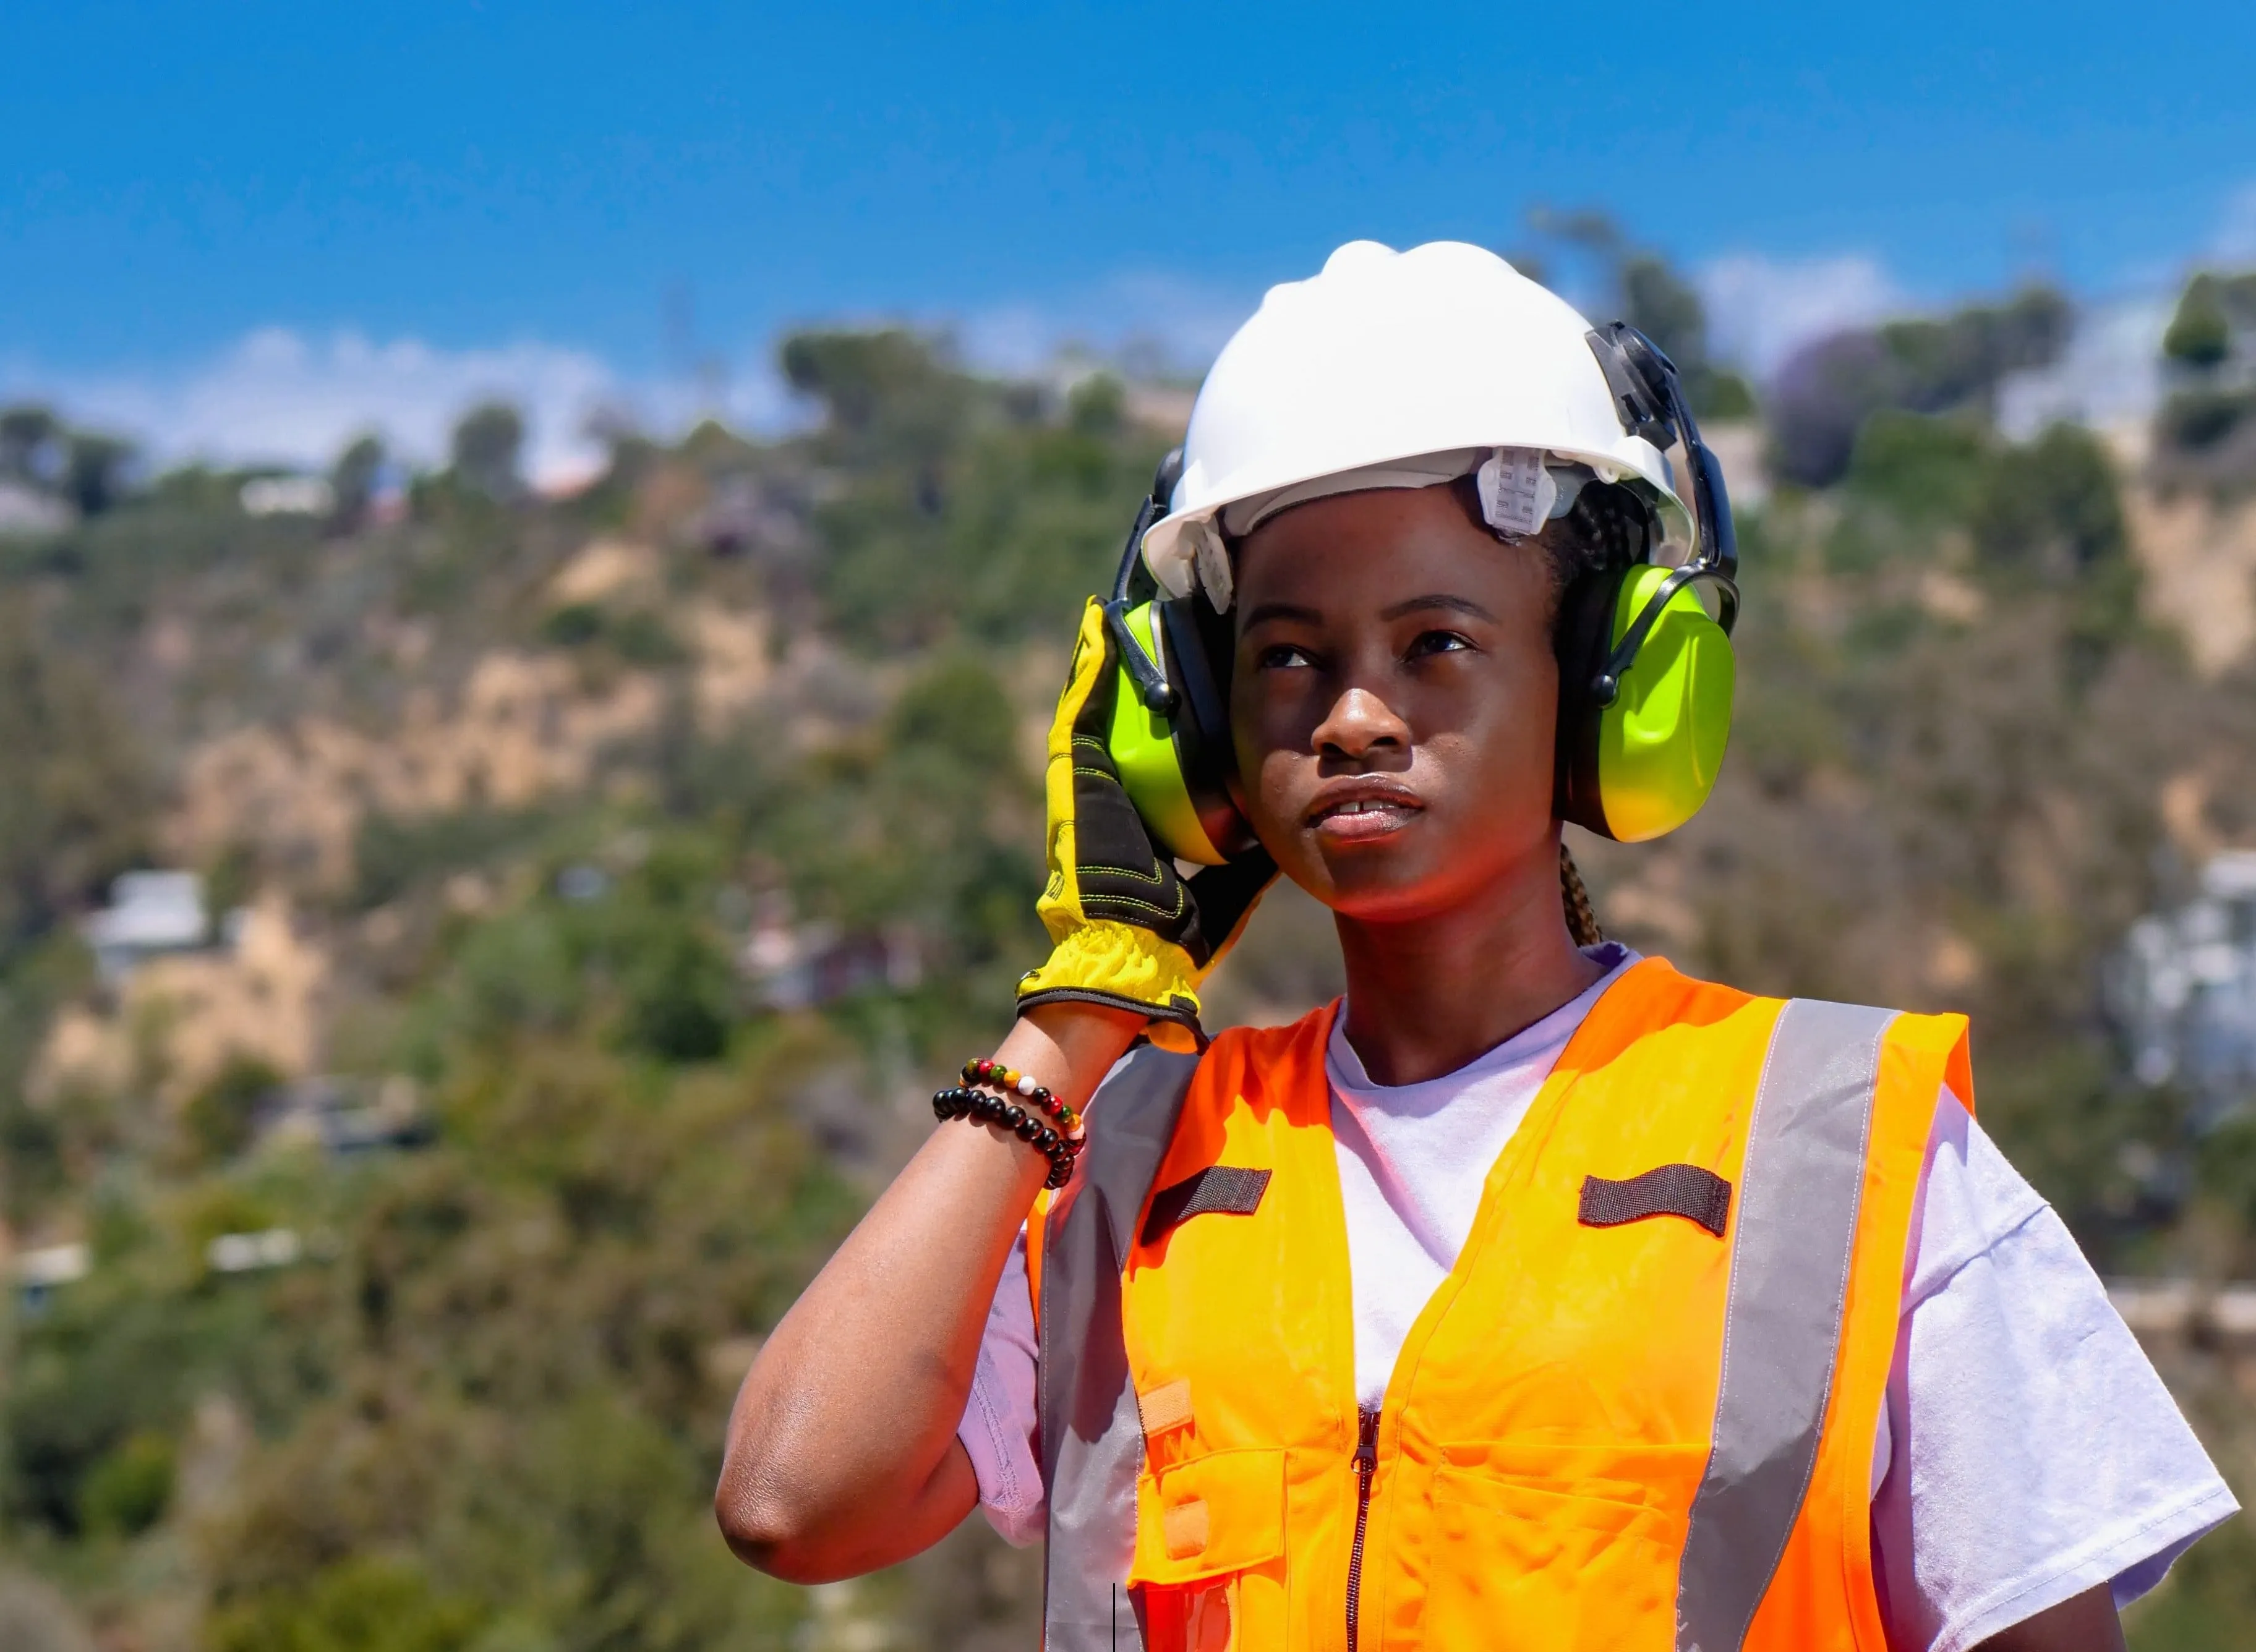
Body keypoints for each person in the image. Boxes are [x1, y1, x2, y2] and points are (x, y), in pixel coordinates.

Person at [716, 242, 2236, 1652]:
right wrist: (1082, 1001)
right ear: (1196, 729)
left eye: (1435, 644)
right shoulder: (1122, 1162)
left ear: (1606, 684)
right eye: (1289, 655)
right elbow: (795, 1498)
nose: (1354, 711)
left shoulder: (1848, 1147)